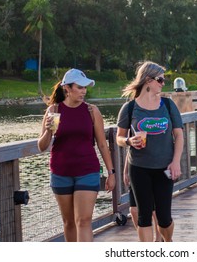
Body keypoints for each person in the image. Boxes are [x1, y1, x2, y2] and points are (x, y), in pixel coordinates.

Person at [38, 68, 115, 242]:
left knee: (83, 220)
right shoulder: (54, 110)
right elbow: (42, 146)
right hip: (60, 173)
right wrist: (49, 131)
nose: (84, 91)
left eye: (85, 88)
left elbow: (102, 145)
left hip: (88, 171)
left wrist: (111, 173)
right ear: (67, 88)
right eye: (80, 87)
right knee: (69, 222)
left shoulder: (91, 111)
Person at [116, 61, 184, 242]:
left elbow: (179, 135)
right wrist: (129, 140)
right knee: (144, 215)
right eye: (160, 80)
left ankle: (167, 241)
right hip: (139, 167)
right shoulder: (129, 108)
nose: (163, 83)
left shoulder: (168, 106)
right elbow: (119, 138)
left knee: (164, 218)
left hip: (164, 168)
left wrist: (176, 161)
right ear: (148, 80)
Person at [123, 159, 162, 242]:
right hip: (136, 169)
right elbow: (130, 150)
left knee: (154, 211)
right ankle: (144, 238)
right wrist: (125, 171)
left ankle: (159, 240)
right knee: (133, 210)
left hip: (155, 169)